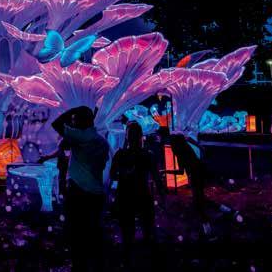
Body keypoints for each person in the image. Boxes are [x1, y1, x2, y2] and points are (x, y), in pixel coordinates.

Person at [51, 106, 110, 272]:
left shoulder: (81, 137)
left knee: (76, 232)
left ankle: (80, 266)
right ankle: (97, 264)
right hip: (96, 192)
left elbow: (56, 124)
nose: (73, 122)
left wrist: (75, 109)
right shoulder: (101, 141)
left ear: (82, 121)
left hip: (79, 193)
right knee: (94, 231)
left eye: (75, 119)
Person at [110, 121, 165, 260]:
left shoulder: (120, 154)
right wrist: (162, 197)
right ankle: (148, 259)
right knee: (147, 230)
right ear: (141, 136)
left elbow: (112, 175)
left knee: (128, 232)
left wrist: (123, 174)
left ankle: (129, 259)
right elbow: (157, 178)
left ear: (127, 137)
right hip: (142, 195)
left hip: (126, 196)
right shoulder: (147, 154)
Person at [168, 131, 211, 235]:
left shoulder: (179, 152)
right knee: (200, 198)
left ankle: (207, 228)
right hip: (200, 170)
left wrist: (165, 171)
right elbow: (192, 140)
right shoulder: (185, 146)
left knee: (198, 201)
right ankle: (212, 217)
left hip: (194, 175)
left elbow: (180, 172)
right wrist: (199, 146)